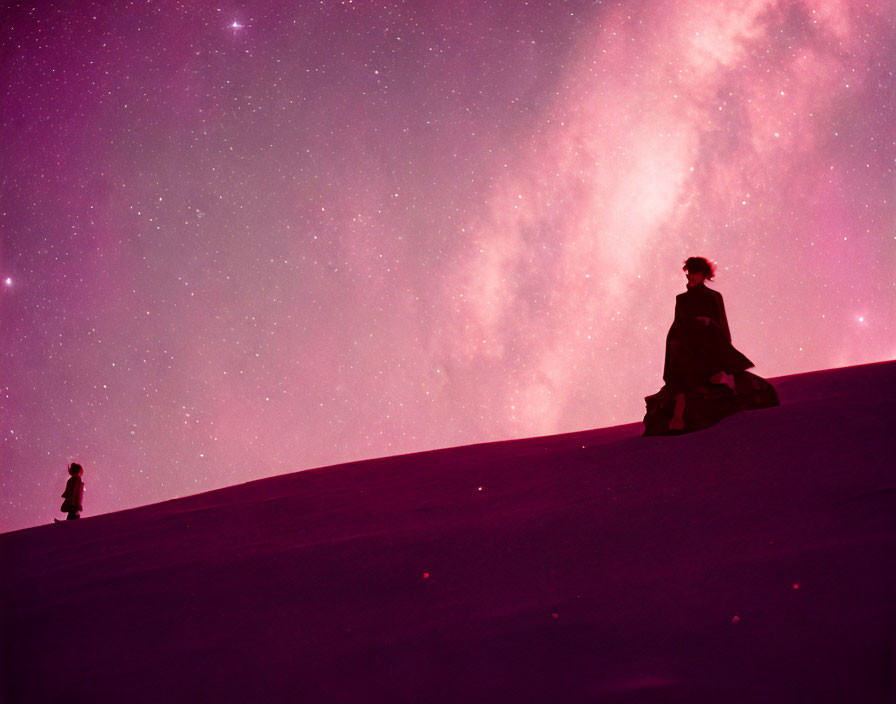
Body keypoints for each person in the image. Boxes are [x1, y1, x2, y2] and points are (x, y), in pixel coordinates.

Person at [643, 257, 778, 435]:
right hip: (685, 343)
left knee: (706, 373)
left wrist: (716, 339)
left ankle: (722, 382)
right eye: (689, 272)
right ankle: (679, 410)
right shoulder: (682, 299)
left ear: (703, 275)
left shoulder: (713, 297)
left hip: (708, 343)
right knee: (679, 380)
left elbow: (721, 326)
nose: (690, 276)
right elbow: (678, 325)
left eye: (695, 273)